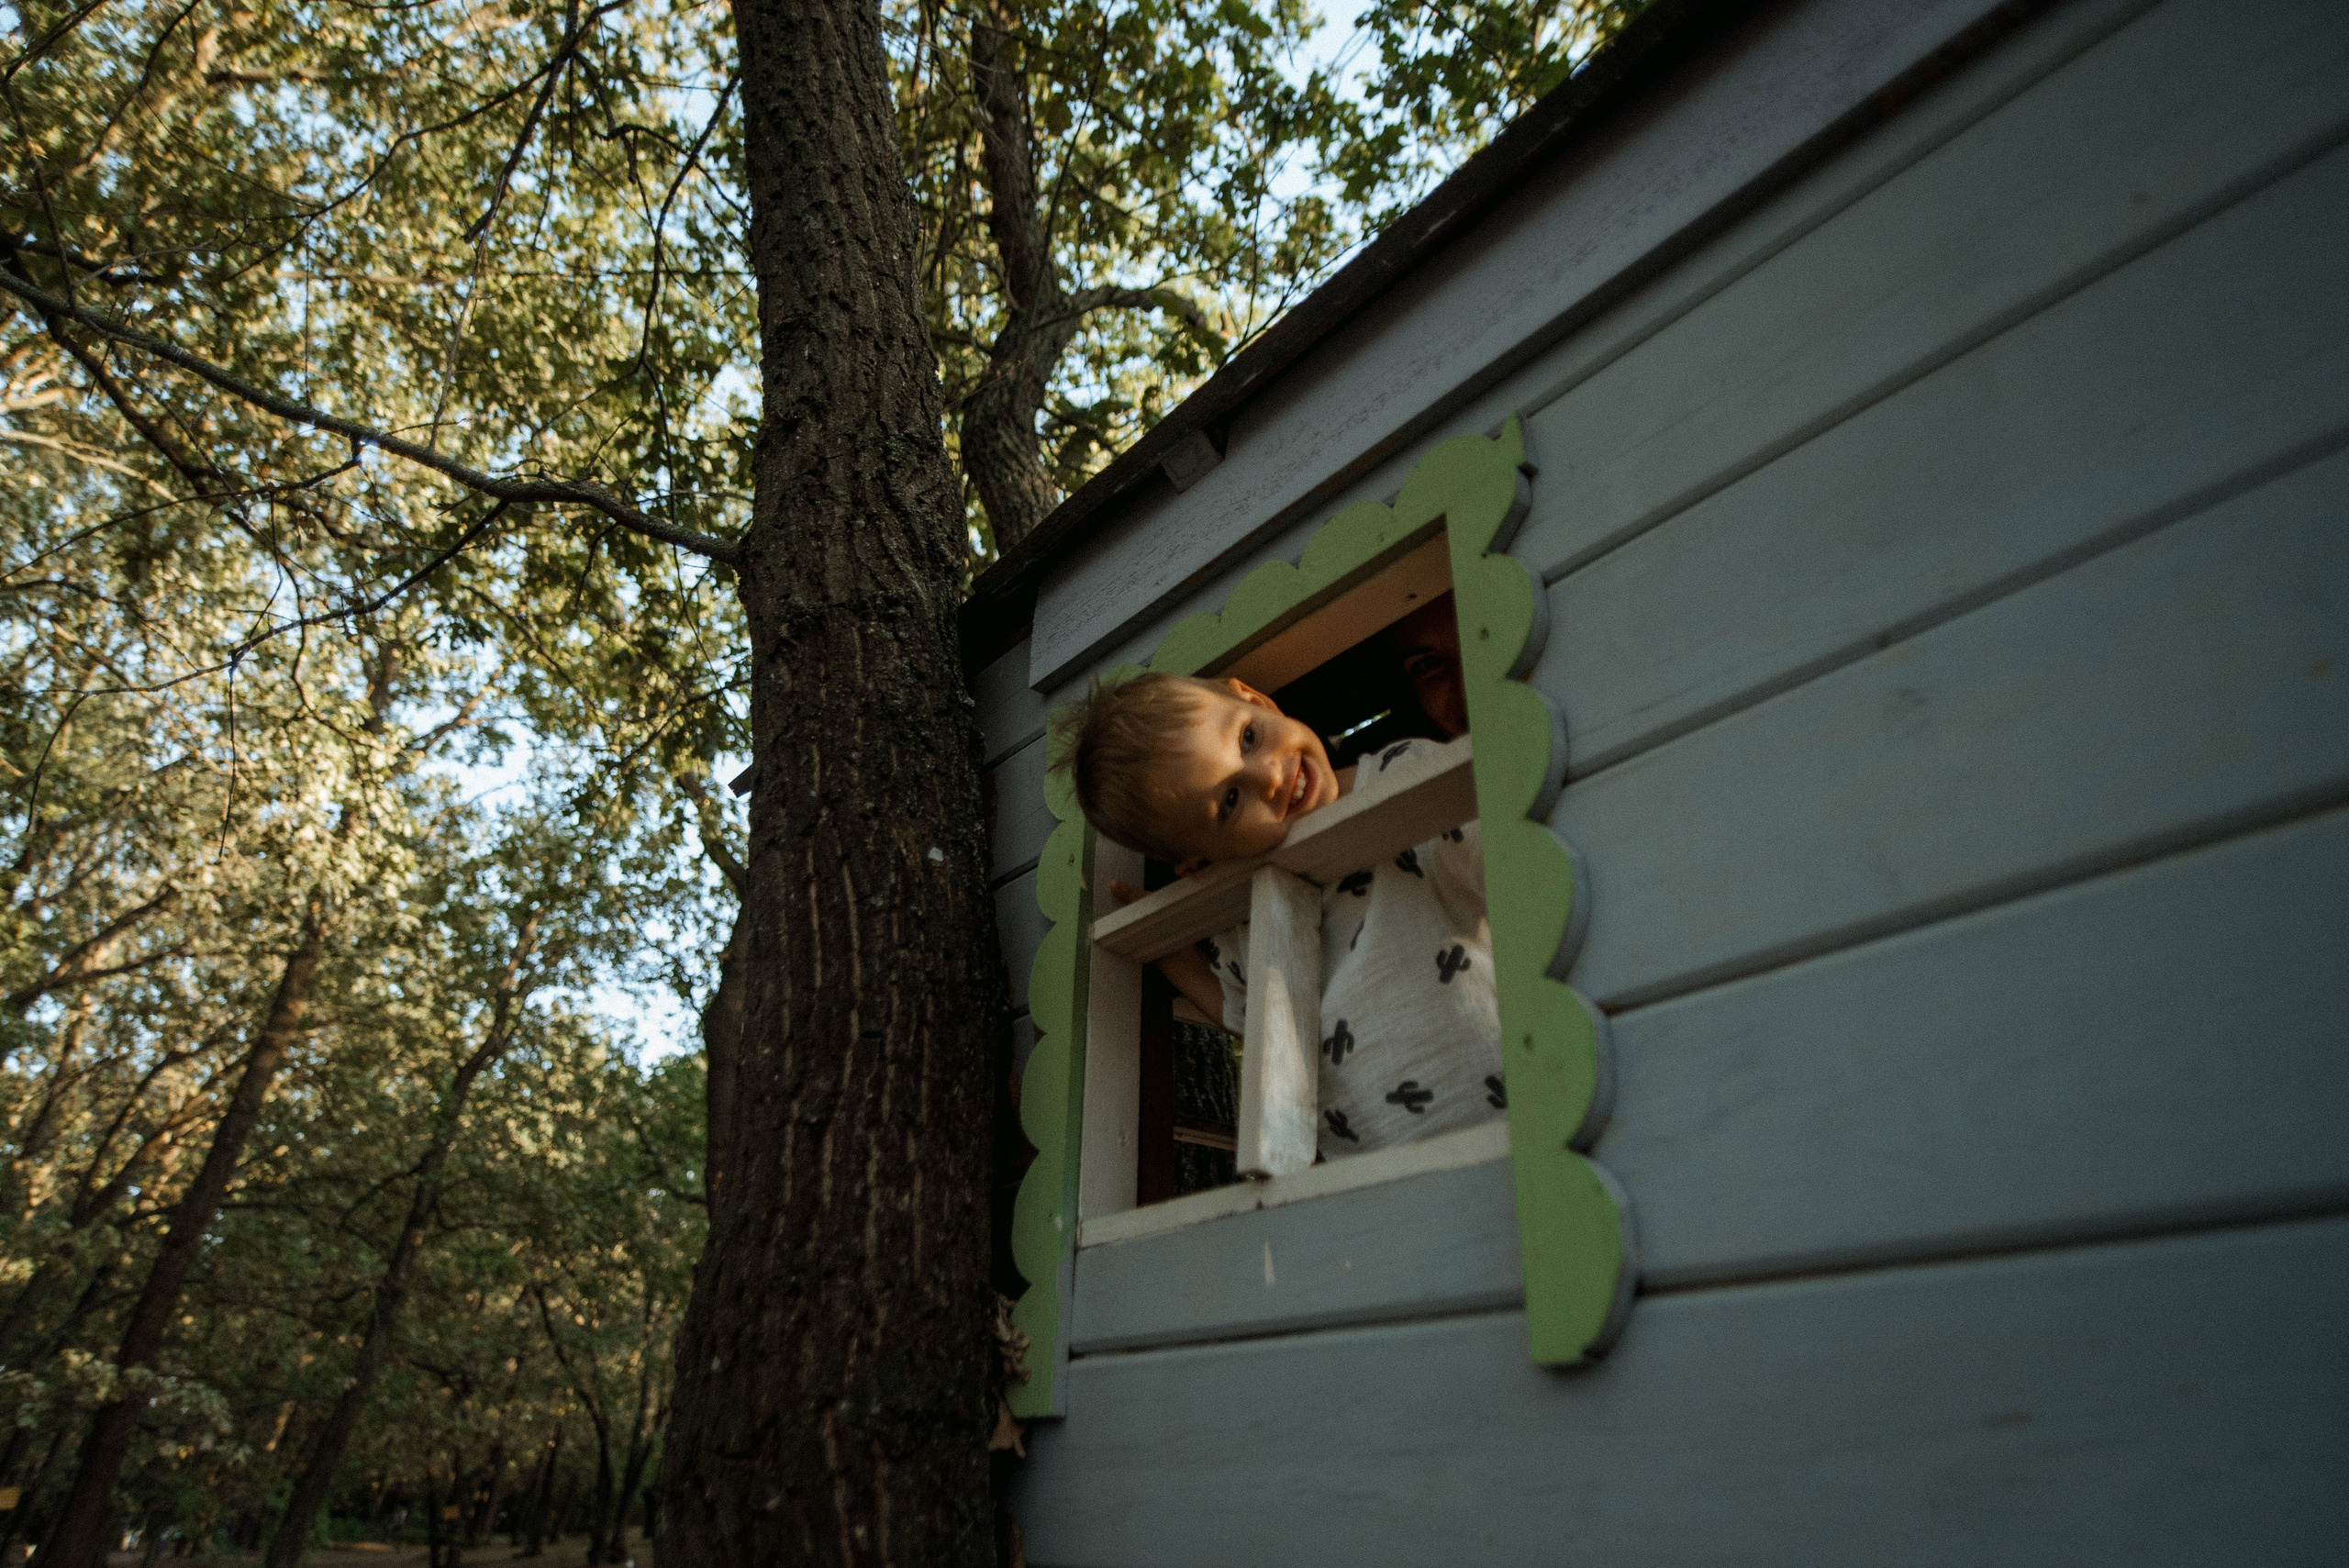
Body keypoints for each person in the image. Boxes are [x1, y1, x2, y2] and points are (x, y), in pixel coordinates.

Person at [1050, 622, 1501, 1160]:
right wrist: (1167, 942)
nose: (1268, 776)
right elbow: (1240, 1014)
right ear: (1196, 861)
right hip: (1380, 1174)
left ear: (1257, 699)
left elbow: (1511, 866)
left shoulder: (1405, 777)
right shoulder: (1244, 919)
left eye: (1247, 737)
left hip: (1513, 1093)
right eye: (1230, 802)